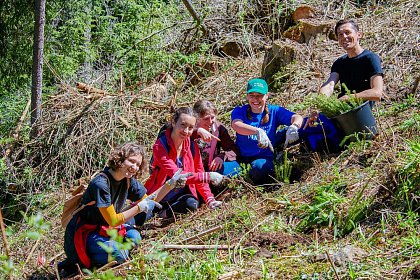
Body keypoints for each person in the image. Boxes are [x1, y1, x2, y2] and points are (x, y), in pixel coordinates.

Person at [60, 142, 167, 275]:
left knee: (135, 237)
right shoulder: (101, 184)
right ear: (120, 159)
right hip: (87, 233)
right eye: (131, 161)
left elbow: (150, 200)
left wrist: (171, 184)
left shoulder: (128, 180)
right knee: (120, 254)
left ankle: (106, 251)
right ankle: (84, 262)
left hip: (107, 230)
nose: (134, 167)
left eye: (138, 164)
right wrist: (139, 208)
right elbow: (113, 221)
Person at [145, 107, 224, 218]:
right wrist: (208, 176)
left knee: (191, 203)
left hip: (179, 195)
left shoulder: (192, 146)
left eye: (190, 127)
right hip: (158, 196)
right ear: (173, 122)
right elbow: (177, 176)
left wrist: (210, 199)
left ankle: (164, 214)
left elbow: (199, 171)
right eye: (183, 125)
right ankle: (157, 212)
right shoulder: (160, 146)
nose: (186, 131)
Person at [231, 78, 304, 185]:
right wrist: (257, 131)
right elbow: (237, 125)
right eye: (251, 95)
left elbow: (297, 117)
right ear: (247, 96)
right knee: (222, 171)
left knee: (259, 168)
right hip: (240, 158)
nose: (255, 99)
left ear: (267, 95)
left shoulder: (274, 111)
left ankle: (255, 181)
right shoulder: (239, 111)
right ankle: (242, 177)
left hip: (263, 158)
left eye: (259, 95)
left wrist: (294, 126)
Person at [319, 19, 384, 103]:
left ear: (359, 35)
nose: (344, 37)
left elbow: (377, 93)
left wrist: (348, 97)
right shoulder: (339, 63)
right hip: (342, 110)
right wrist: (320, 102)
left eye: (348, 32)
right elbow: (330, 84)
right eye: (340, 34)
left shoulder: (370, 59)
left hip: (361, 111)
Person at [192, 100, 241, 178]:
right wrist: (198, 131)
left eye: (212, 117)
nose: (210, 121)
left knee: (234, 168)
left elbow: (232, 149)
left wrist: (221, 156)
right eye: (206, 119)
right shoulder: (188, 128)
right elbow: (173, 133)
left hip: (211, 166)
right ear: (197, 118)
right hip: (192, 168)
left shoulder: (218, 129)